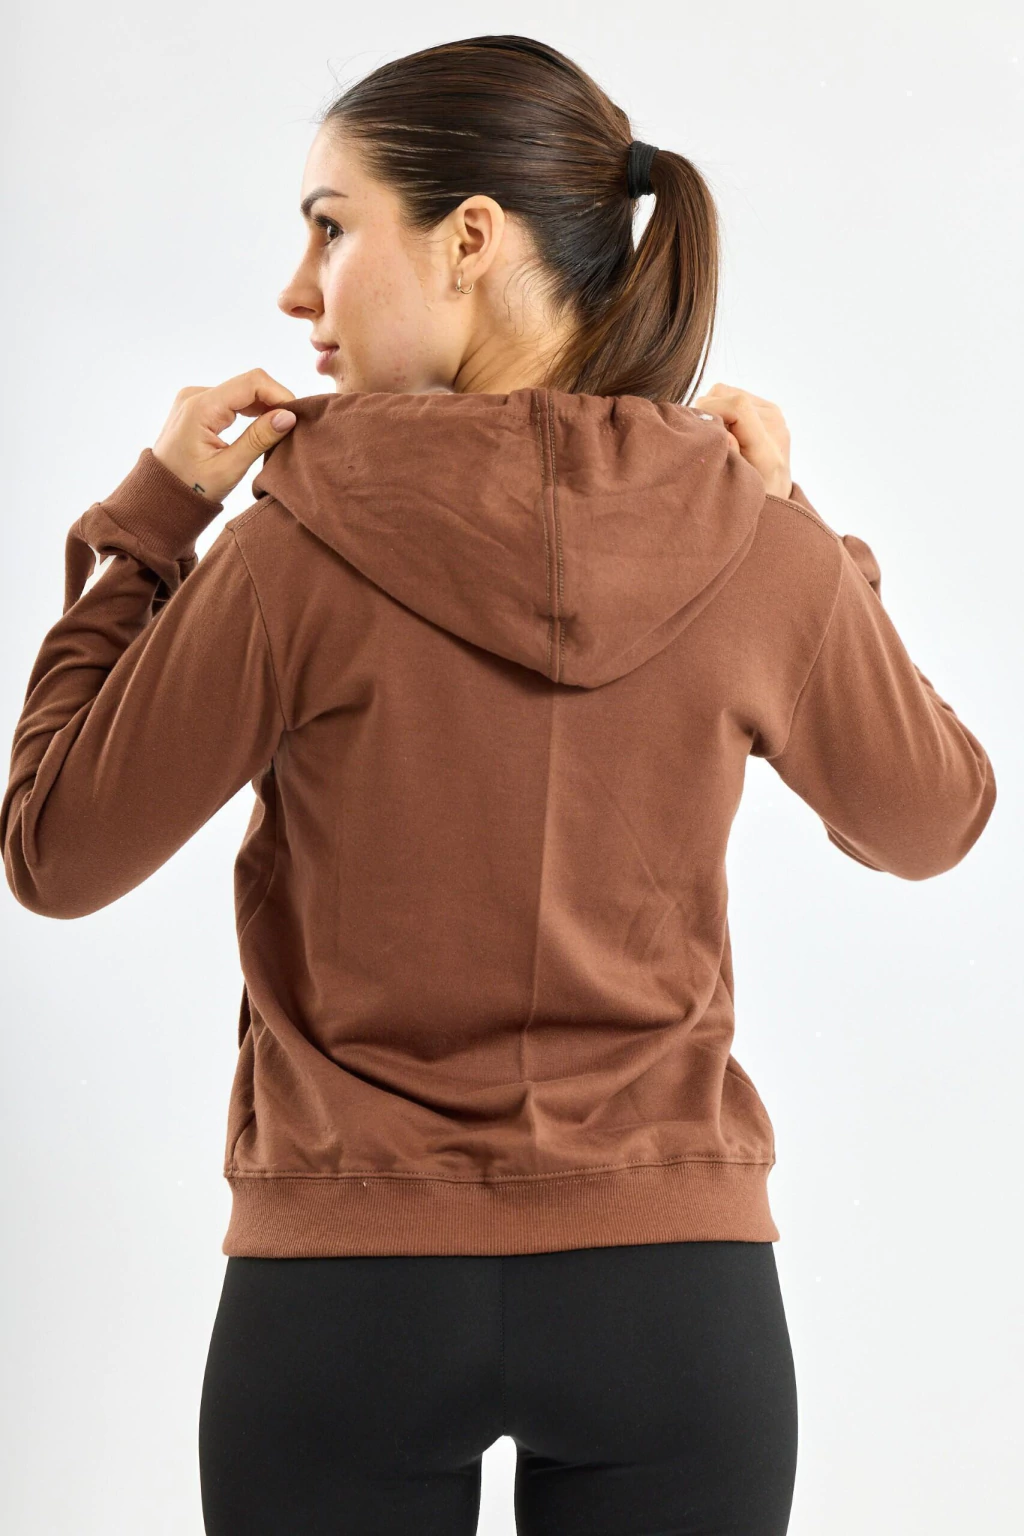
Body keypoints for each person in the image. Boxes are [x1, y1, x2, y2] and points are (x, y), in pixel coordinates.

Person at [1, 33, 996, 1536]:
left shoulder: (287, 552)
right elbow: (933, 818)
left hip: (345, 1303)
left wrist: (151, 522)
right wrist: (803, 530)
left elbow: (53, 852)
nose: (296, 289)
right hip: (675, 1303)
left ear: (470, 239)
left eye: (330, 228)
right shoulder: (753, 543)